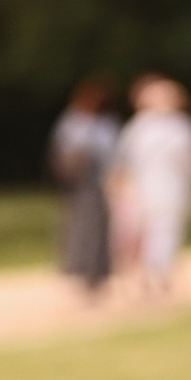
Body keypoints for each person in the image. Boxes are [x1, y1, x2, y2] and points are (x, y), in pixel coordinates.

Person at [114, 73, 191, 300]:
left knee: (161, 232)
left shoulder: (150, 127)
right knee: (160, 233)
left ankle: (155, 274)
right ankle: (157, 274)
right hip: (152, 189)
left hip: (165, 187)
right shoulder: (161, 127)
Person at [48, 78, 119, 294]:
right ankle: (81, 270)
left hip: (99, 183)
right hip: (78, 185)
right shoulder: (74, 122)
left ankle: (96, 272)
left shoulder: (104, 124)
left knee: (98, 228)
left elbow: (113, 155)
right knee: (79, 228)